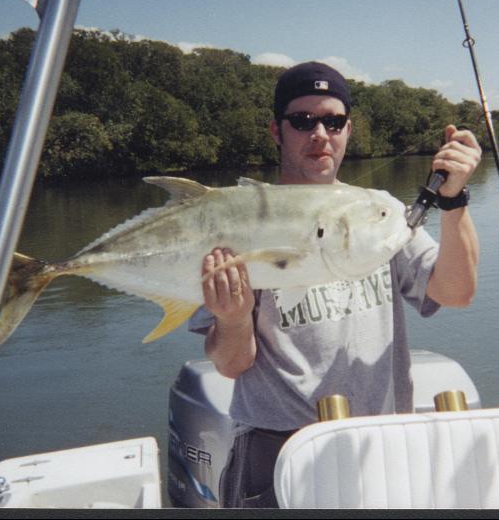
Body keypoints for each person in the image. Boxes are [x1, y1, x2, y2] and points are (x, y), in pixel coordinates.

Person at [188, 61, 481, 508]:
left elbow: (455, 292)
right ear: (276, 131)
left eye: (333, 120)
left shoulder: (381, 212)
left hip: (381, 443)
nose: (320, 133)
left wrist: (454, 200)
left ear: (348, 129)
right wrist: (232, 318)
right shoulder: (240, 218)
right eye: (302, 121)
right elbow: (231, 365)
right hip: (278, 451)